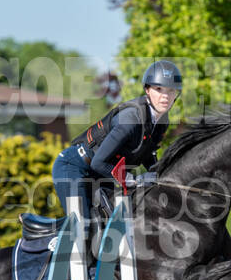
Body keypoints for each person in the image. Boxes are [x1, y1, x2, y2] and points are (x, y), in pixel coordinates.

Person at [52, 60, 182, 220]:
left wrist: (164, 176)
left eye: (171, 90)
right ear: (147, 90)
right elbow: (98, 162)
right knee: (80, 225)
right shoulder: (130, 120)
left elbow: (147, 155)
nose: (165, 96)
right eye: (159, 89)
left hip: (102, 174)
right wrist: (134, 180)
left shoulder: (162, 121)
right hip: (73, 167)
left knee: (115, 223)